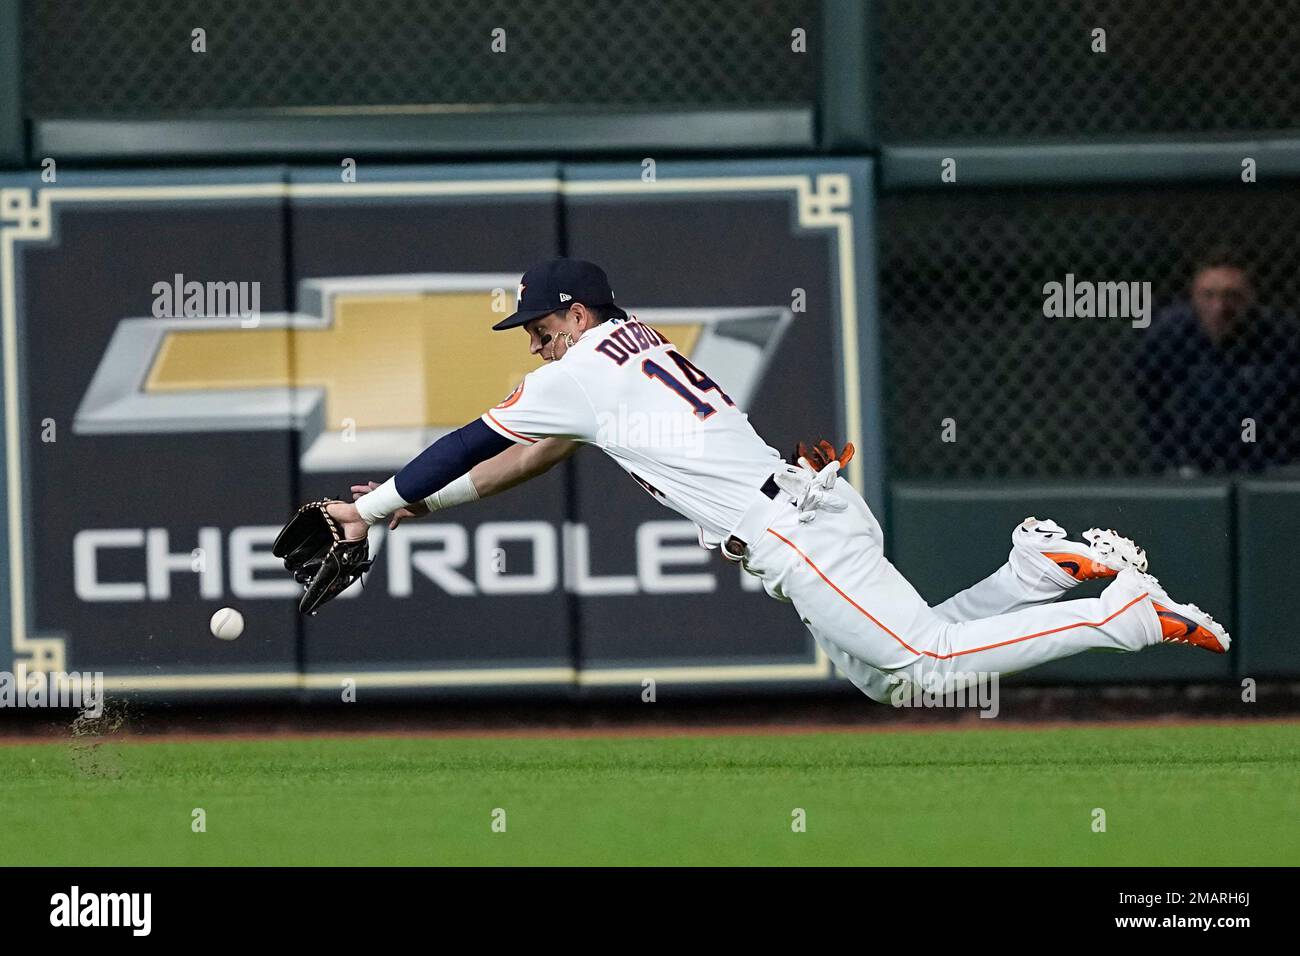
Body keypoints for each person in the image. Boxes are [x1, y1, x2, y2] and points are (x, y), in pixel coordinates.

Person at [325, 258, 1229, 704]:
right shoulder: (627, 352)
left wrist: (364, 511)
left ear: (575, 312)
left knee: (926, 664)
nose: (531, 341)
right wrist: (410, 513)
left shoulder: (580, 367)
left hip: (793, 529)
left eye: (538, 325)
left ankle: (1122, 615)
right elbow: (532, 454)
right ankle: (1030, 575)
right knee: (896, 684)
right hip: (806, 508)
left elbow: (467, 439)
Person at [1137, 251, 1300, 474]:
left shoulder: (1282, 337)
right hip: (1197, 457)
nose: (1219, 308)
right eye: (1208, 295)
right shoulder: (1171, 334)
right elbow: (1148, 402)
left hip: (1270, 456)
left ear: (1251, 298)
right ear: (1193, 297)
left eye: (1232, 296)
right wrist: (1175, 460)